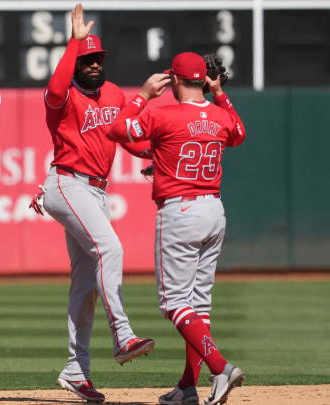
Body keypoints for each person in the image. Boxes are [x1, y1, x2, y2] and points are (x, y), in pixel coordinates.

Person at [106, 51, 247, 405]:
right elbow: (239, 132)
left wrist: (142, 95)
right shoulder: (219, 115)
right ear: (203, 79)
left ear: (175, 80)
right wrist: (220, 94)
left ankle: (219, 368)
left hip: (181, 212)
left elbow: (117, 129)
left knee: (174, 303)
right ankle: (187, 387)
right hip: (214, 210)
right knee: (198, 305)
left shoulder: (162, 113)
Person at [30, 3, 155, 402]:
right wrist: (75, 41)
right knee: (111, 247)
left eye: (98, 59)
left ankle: (75, 369)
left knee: (85, 285)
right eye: (87, 60)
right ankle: (122, 334)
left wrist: (152, 155)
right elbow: (53, 87)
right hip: (66, 183)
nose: (94, 65)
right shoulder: (62, 98)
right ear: (76, 64)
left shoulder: (115, 93)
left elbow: (126, 138)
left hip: (98, 190)